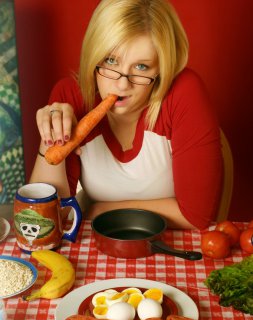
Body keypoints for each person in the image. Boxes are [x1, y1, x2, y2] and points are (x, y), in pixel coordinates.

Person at [30, 0, 223, 230]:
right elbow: (46, 221)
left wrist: (98, 209)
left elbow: (196, 217)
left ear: (161, 68)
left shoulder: (183, 93)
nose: (122, 85)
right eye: (111, 60)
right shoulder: (71, 96)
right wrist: (50, 140)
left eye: (141, 67)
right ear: (94, 55)